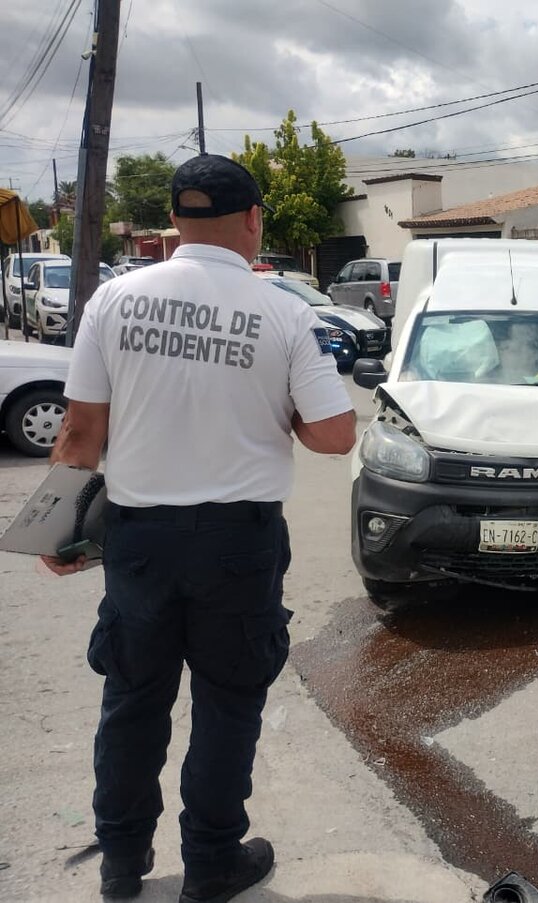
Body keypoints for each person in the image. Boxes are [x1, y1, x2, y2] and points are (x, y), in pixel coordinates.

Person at [43, 154, 357, 903]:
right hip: (237, 546)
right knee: (228, 703)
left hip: (138, 543)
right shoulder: (284, 312)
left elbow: (80, 434)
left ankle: (122, 863)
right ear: (253, 219)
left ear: (174, 221)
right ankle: (212, 863)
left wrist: (55, 531)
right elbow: (336, 433)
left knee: (132, 700)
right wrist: (277, 410)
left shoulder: (114, 300)